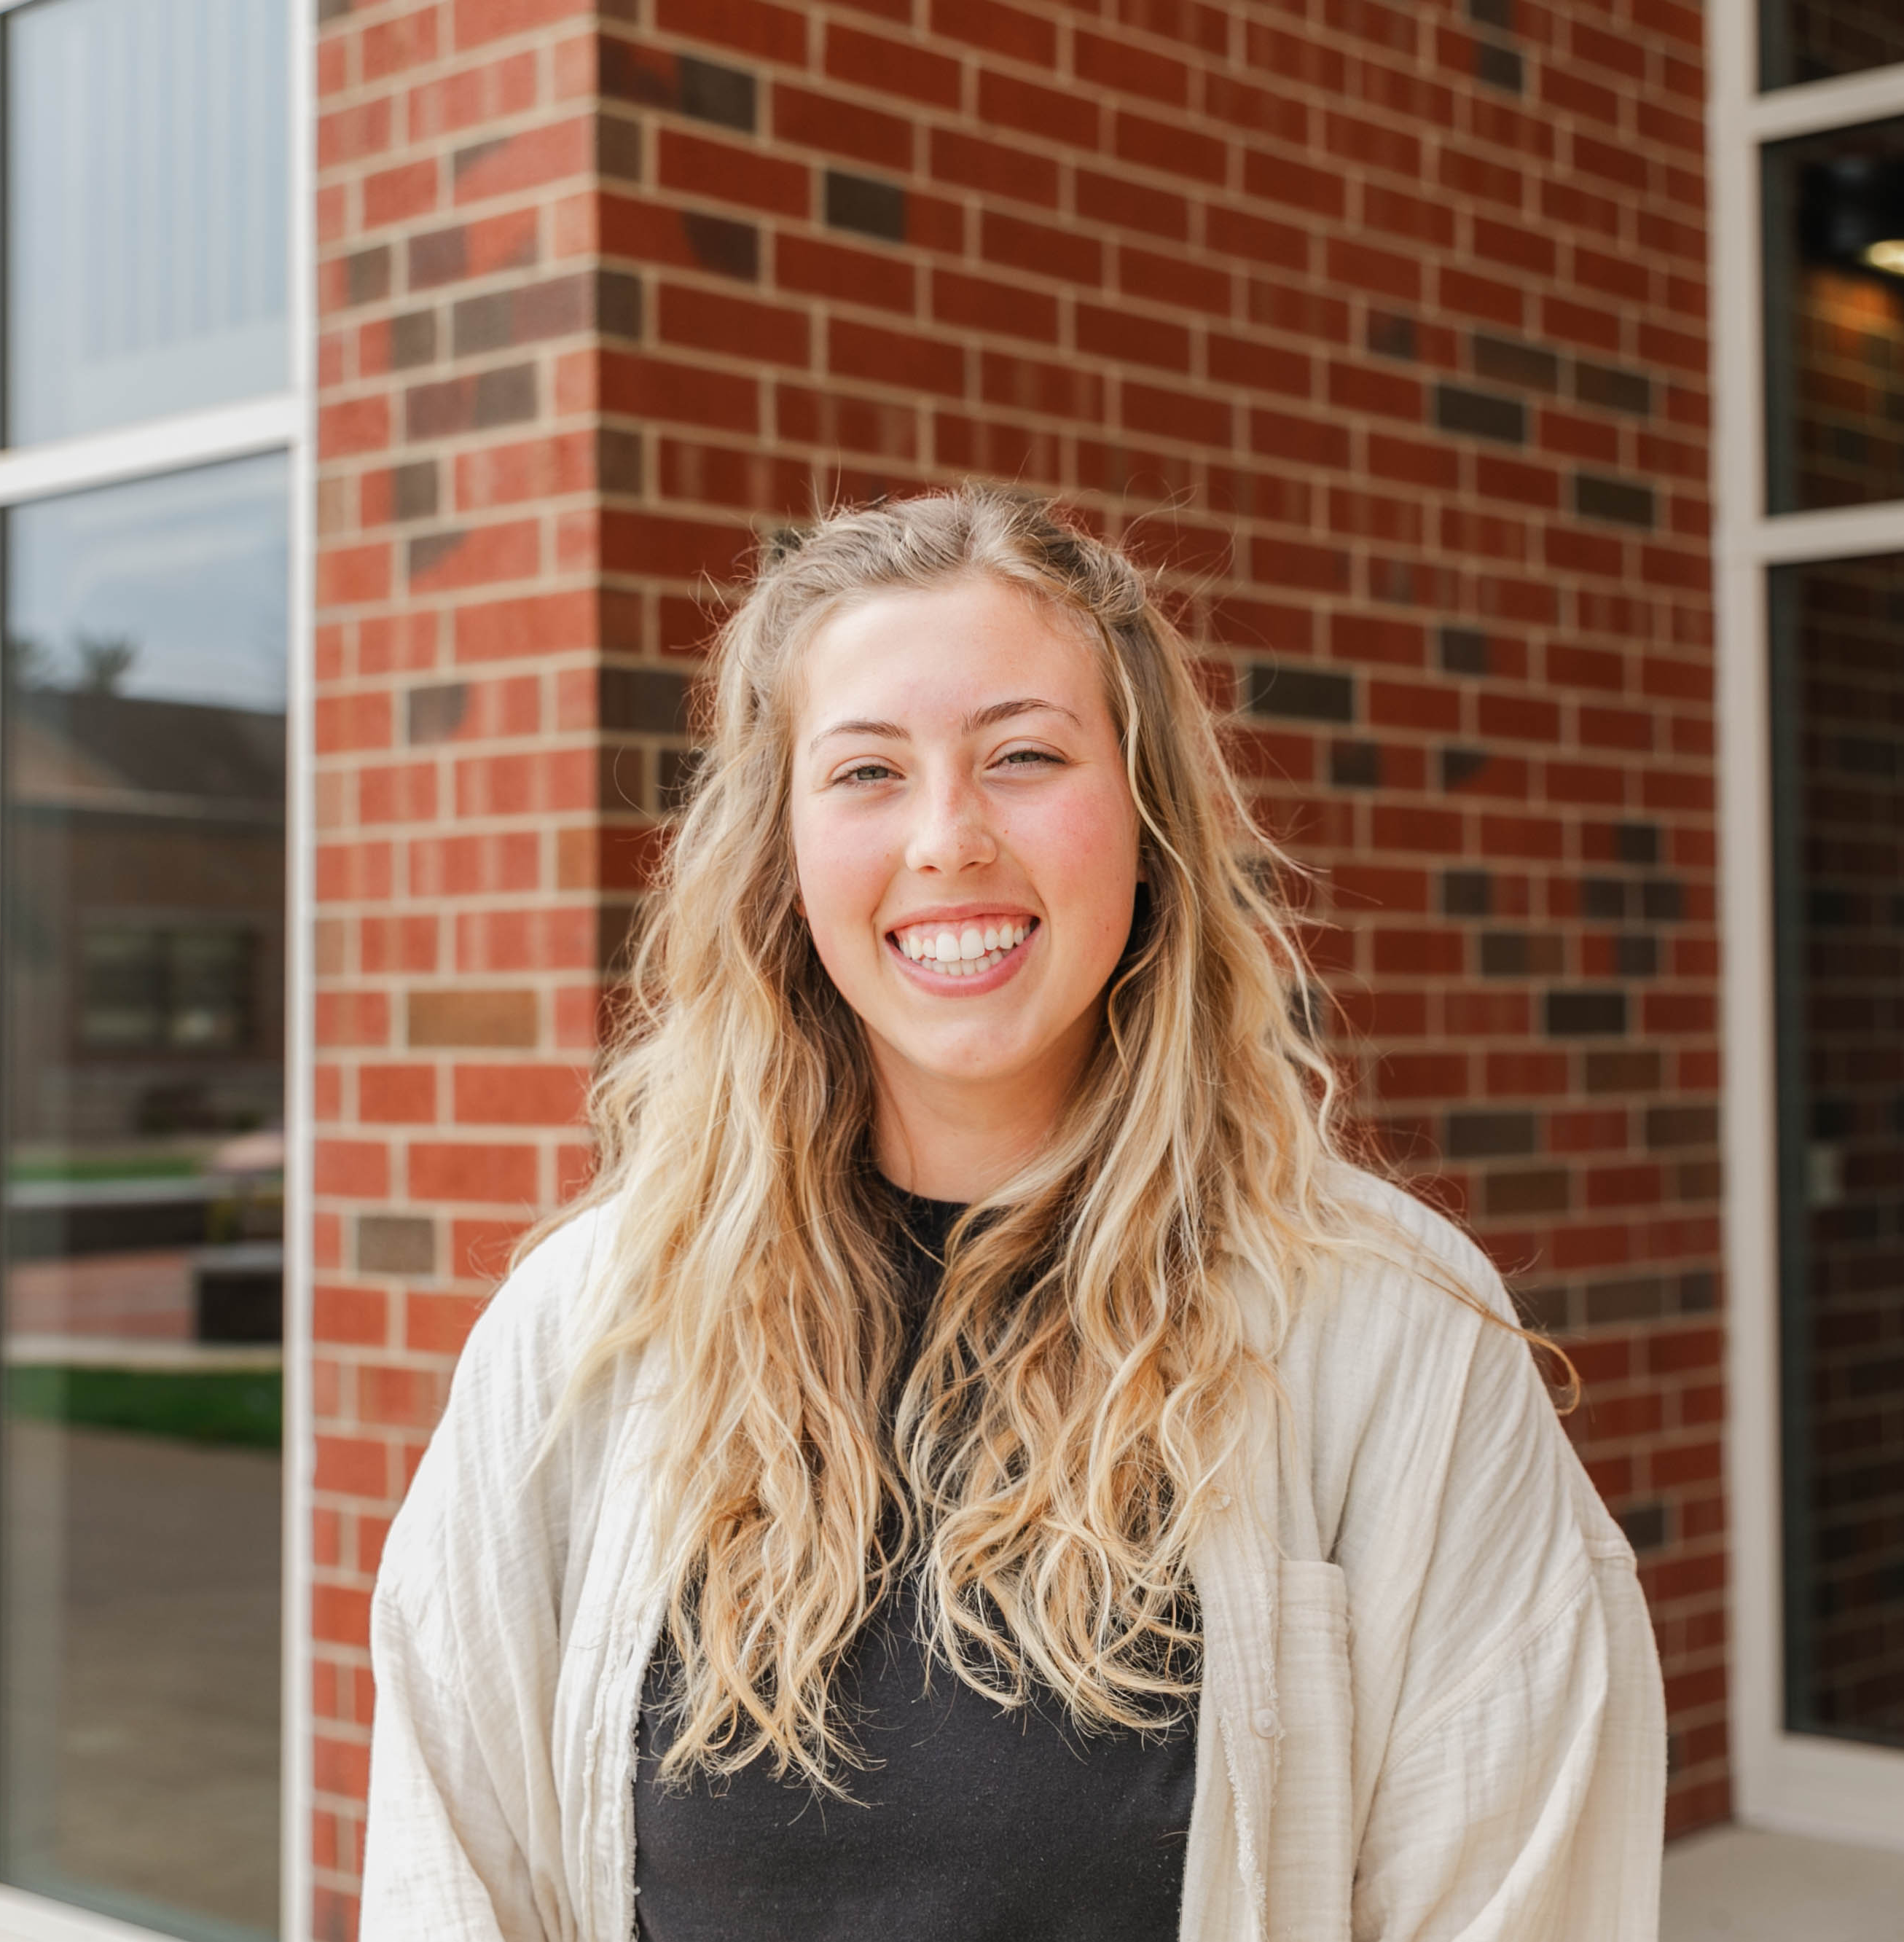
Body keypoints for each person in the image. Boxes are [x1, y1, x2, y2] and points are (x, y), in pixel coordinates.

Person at [361, 484, 1664, 1941]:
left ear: (1147, 818)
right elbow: (450, 1878)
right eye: (865, 773)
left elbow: (1516, 1896)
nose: (948, 838)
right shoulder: (585, 1332)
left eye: (1024, 755)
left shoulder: (1387, 1332)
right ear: (779, 861)